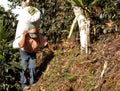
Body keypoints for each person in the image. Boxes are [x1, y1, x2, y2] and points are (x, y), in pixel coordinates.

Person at [18, 24, 54, 90]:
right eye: (32, 34)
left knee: (32, 67)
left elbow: (45, 44)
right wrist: (24, 36)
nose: (33, 36)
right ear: (28, 32)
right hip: (24, 52)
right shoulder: (24, 35)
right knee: (23, 68)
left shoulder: (38, 35)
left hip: (33, 53)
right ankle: (24, 84)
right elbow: (21, 45)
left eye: (35, 34)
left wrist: (53, 51)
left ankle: (32, 82)